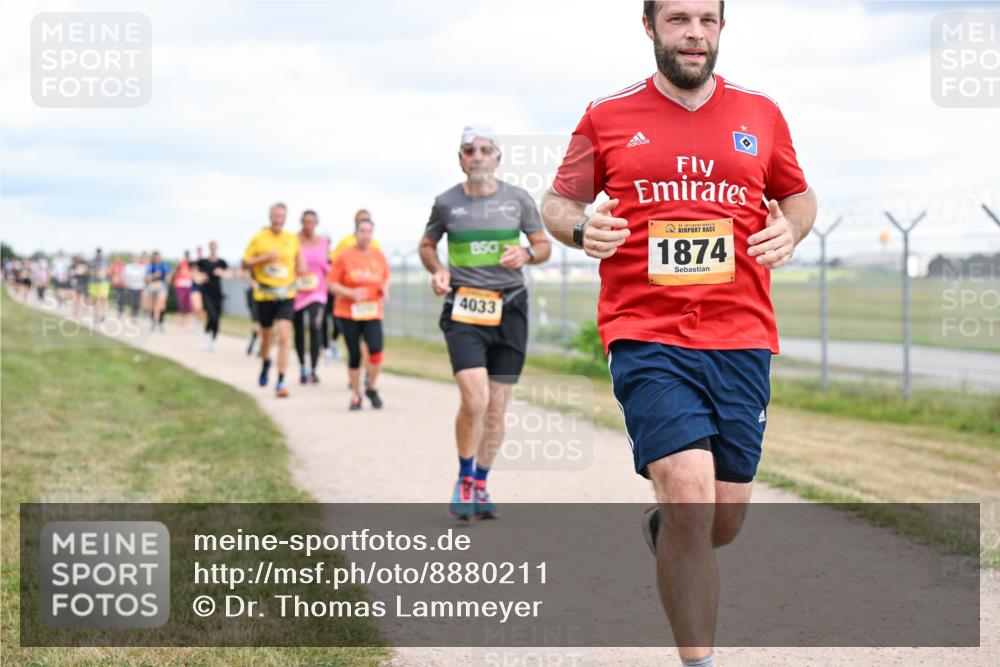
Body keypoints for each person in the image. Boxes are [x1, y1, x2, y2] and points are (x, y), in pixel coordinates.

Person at [541, 3, 817, 665]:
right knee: (688, 488)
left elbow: (799, 195)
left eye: (707, 20)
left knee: (721, 520)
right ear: (650, 27)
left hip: (742, 334)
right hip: (647, 331)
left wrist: (793, 227)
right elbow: (557, 202)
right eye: (678, 19)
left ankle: (668, 529)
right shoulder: (606, 116)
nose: (694, 33)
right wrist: (580, 229)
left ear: (721, 29)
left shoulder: (762, 114)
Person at [418, 125, 551, 520]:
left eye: (485, 150)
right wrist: (438, 270)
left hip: (510, 308)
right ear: (460, 159)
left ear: (497, 157)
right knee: (474, 399)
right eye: (469, 150)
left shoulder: (518, 199)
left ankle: (481, 480)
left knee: (496, 407)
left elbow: (543, 245)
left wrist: (527, 254)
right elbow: (427, 245)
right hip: (464, 309)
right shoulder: (446, 203)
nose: (477, 156)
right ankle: (463, 477)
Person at [242, 202, 304, 398]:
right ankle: (266, 361)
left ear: (285, 218)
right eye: (275, 215)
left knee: (285, 336)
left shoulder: (292, 238)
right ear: (270, 216)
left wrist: (303, 271)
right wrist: (264, 258)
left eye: (281, 215)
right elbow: (245, 263)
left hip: (286, 293)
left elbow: (299, 261)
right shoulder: (259, 238)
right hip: (265, 293)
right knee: (266, 337)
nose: (278, 218)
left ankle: (281, 380)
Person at [328, 216, 389, 410]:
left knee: (376, 351)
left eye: (369, 231)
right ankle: (356, 395)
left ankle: (370, 387)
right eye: (362, 231)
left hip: (372, 311)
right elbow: (331, 284)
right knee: (355, 354)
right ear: (356, 233)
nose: (366, 235)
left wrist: (385, 289)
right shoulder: (345, 256)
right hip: (348, 312)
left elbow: (385, 277)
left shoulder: (378, 255)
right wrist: (350, 292)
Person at [328, 209, 382, 365]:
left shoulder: (375, 245)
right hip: (348, 301)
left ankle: (366, 372)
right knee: (354, 345)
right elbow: (335, 267)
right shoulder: (345, 244)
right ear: (356, 225)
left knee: (371, 342)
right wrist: (349, 289)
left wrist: (381, 288)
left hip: (369, 304)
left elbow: (380, 270)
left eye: (367, 220)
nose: (365, 232)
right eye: (361, 221)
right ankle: (355, 369)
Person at [293, 210, 330, 384]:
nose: (309, 225)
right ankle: (303, 367)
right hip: (297, 291)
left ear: (316, 223)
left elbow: (326, 265)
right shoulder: (293, 240)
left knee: (316, 327)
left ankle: (314, 369)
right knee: (299, 330)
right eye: (306, 222)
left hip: (317, 291)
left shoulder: (323, 242)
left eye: (312, 222)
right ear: (301, 222)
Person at [197, 241, 230, 351]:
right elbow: (195, 275)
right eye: (212, 247)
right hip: (206, 292)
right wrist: (201, 277)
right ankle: (207, 336)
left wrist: (222, 273)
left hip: (218, 293)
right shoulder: (203, 262)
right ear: (209, 248)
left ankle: (214, 340)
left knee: (217, 318)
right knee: (212, 315)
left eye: (215, 247)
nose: (213, 249)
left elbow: (229, 275)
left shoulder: (222, 262)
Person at [146, 250, 170, 331]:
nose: (157, 258)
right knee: (153, 305)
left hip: (162, 285)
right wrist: (154, 275)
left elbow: (168, 275)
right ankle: (153, 322)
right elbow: (147, 278)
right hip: (153, 285)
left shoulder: (164, 265)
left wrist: (167, 280)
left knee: (161, 304)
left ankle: (160, 322)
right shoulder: (150, 266)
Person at [172, 251, 195, 329]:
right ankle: (178, 321)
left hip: (188, 286)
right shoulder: (180, 264)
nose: (187, 257)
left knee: (189, 305)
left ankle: (189, 323)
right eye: (186, 256)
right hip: (180, 286)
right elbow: (176, 273)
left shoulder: (191, 265)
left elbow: (193, 274)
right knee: (180, 303)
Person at [122, 253, 147, 319]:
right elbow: (124, 275)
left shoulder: (142, 267)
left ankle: (135, 312)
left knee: (137, 301)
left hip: (139, 286)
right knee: (131, 301)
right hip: (130, 286)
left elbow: (144, 277)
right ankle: (131, 312)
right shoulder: (128, 267)